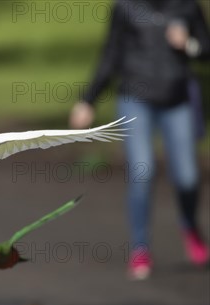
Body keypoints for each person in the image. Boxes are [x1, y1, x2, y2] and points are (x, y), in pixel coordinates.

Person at [70, 0, 210, 280]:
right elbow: (111, 53)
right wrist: (88, 100)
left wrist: (189, 44)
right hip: (135, 98)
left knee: (187, 176)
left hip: (177, 98)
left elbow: (206, 50)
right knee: (141, 171)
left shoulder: (187, 7)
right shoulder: (125, 7)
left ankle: (190, 227)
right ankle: (140, 248)